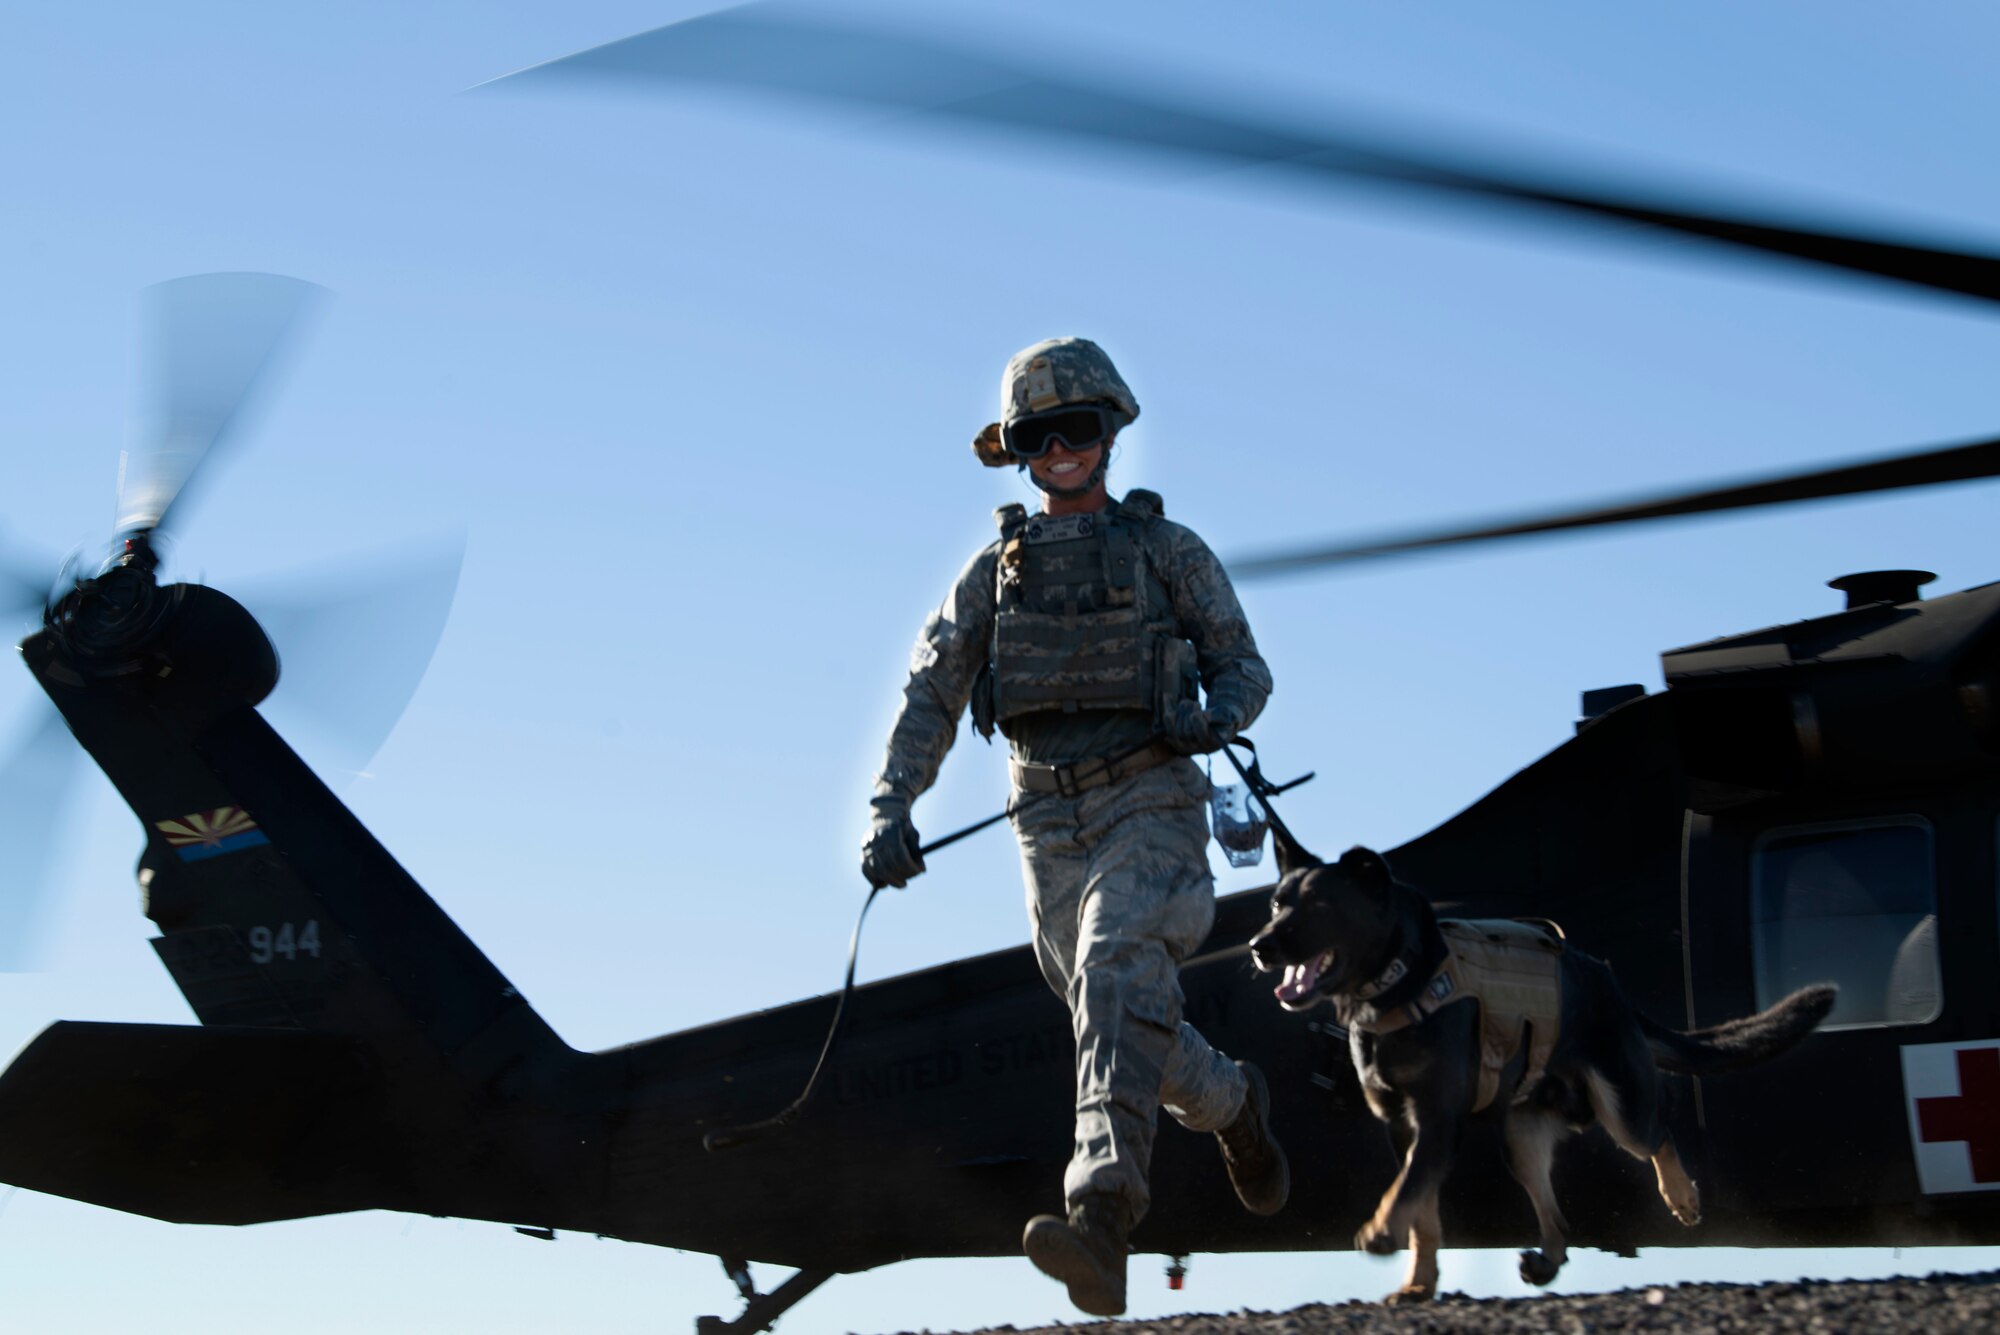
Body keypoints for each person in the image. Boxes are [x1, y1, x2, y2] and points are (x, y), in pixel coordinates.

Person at [860, 337, 1287, 1317]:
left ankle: (1101, 1218)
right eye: (1037, 435)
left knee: (1110, 969)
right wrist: (890, 806)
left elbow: (1242, 668)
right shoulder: (994, 570)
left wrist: (1210, 718)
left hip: (1151, 799)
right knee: (1112, 1009)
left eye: (1076, 430)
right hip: (1041, 818)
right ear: (1015, 451)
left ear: (1108, 436)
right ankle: (1233, 1104)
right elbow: (931, 693)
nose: (1058, 451)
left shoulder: (1166, 554)